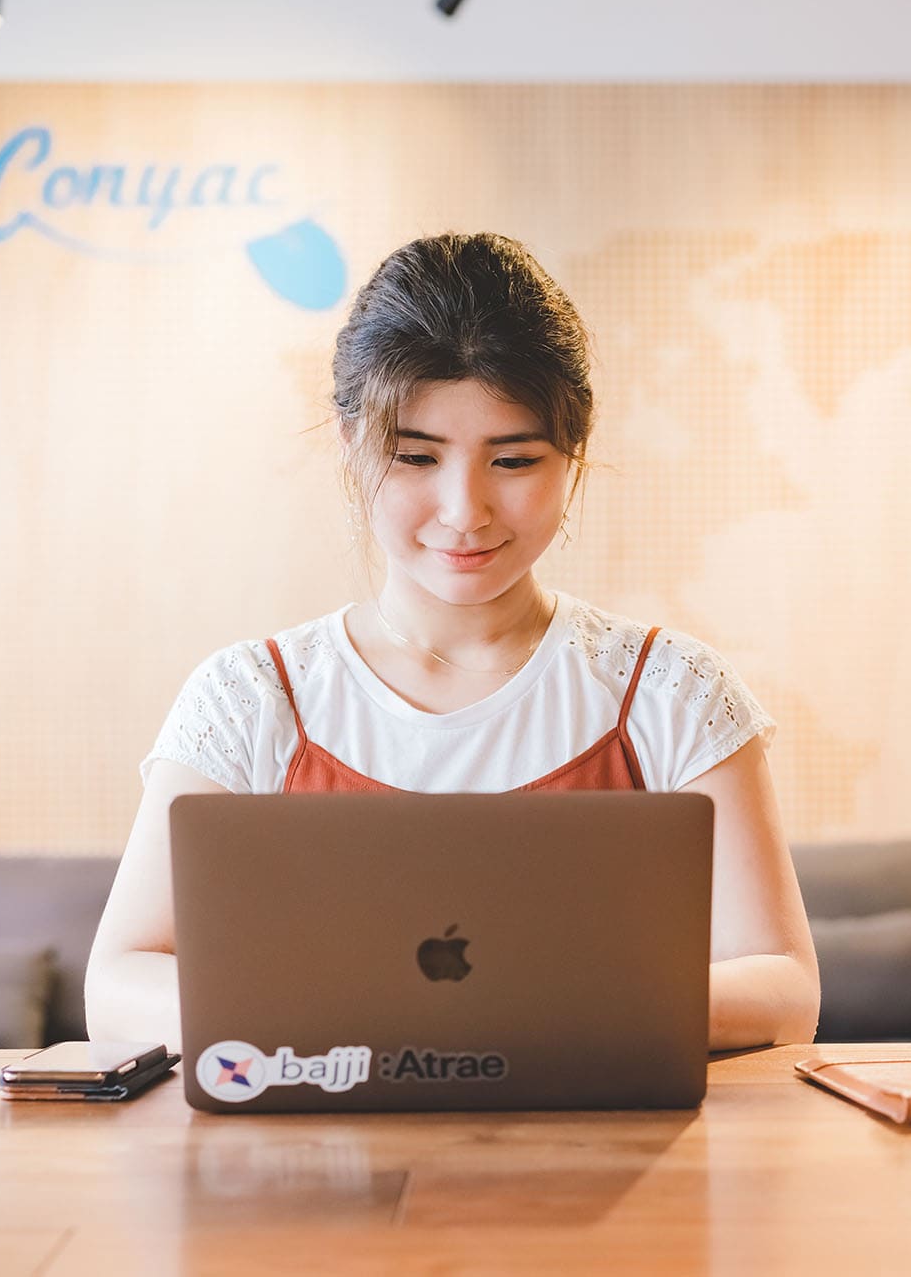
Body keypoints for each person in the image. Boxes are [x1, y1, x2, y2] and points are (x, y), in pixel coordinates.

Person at [85, 233, 820, 1054]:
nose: (464, 509)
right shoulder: (251, 697)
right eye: (414, 457)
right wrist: (367, 1014)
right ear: (348, 442)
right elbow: (120, 983)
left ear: (572, 452)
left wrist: (518, 1012)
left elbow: (784, 987)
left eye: (512, 459)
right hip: (316, 1173)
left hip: (603, 1169)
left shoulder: (670, 689)